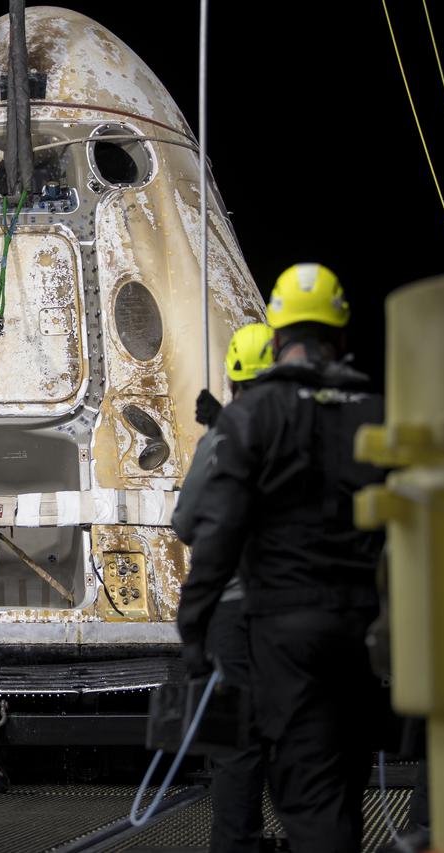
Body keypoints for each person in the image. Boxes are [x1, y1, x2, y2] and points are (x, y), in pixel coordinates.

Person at [176, 263, 388, 853]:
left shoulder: (250, 417)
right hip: (362, 627)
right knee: (340, 780)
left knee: (290, 780)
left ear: (278, 335)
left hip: (279, 629)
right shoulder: (376, 409)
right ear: (341, 335)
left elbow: (210, 529)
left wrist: (193, 624)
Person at [172, 322, 274, 853]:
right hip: (297, 613)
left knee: (234, 746)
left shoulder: (221, 441)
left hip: (231, 615)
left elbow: (186, 523)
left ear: (233, 381)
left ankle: (237, 844)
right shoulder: (306, 429)